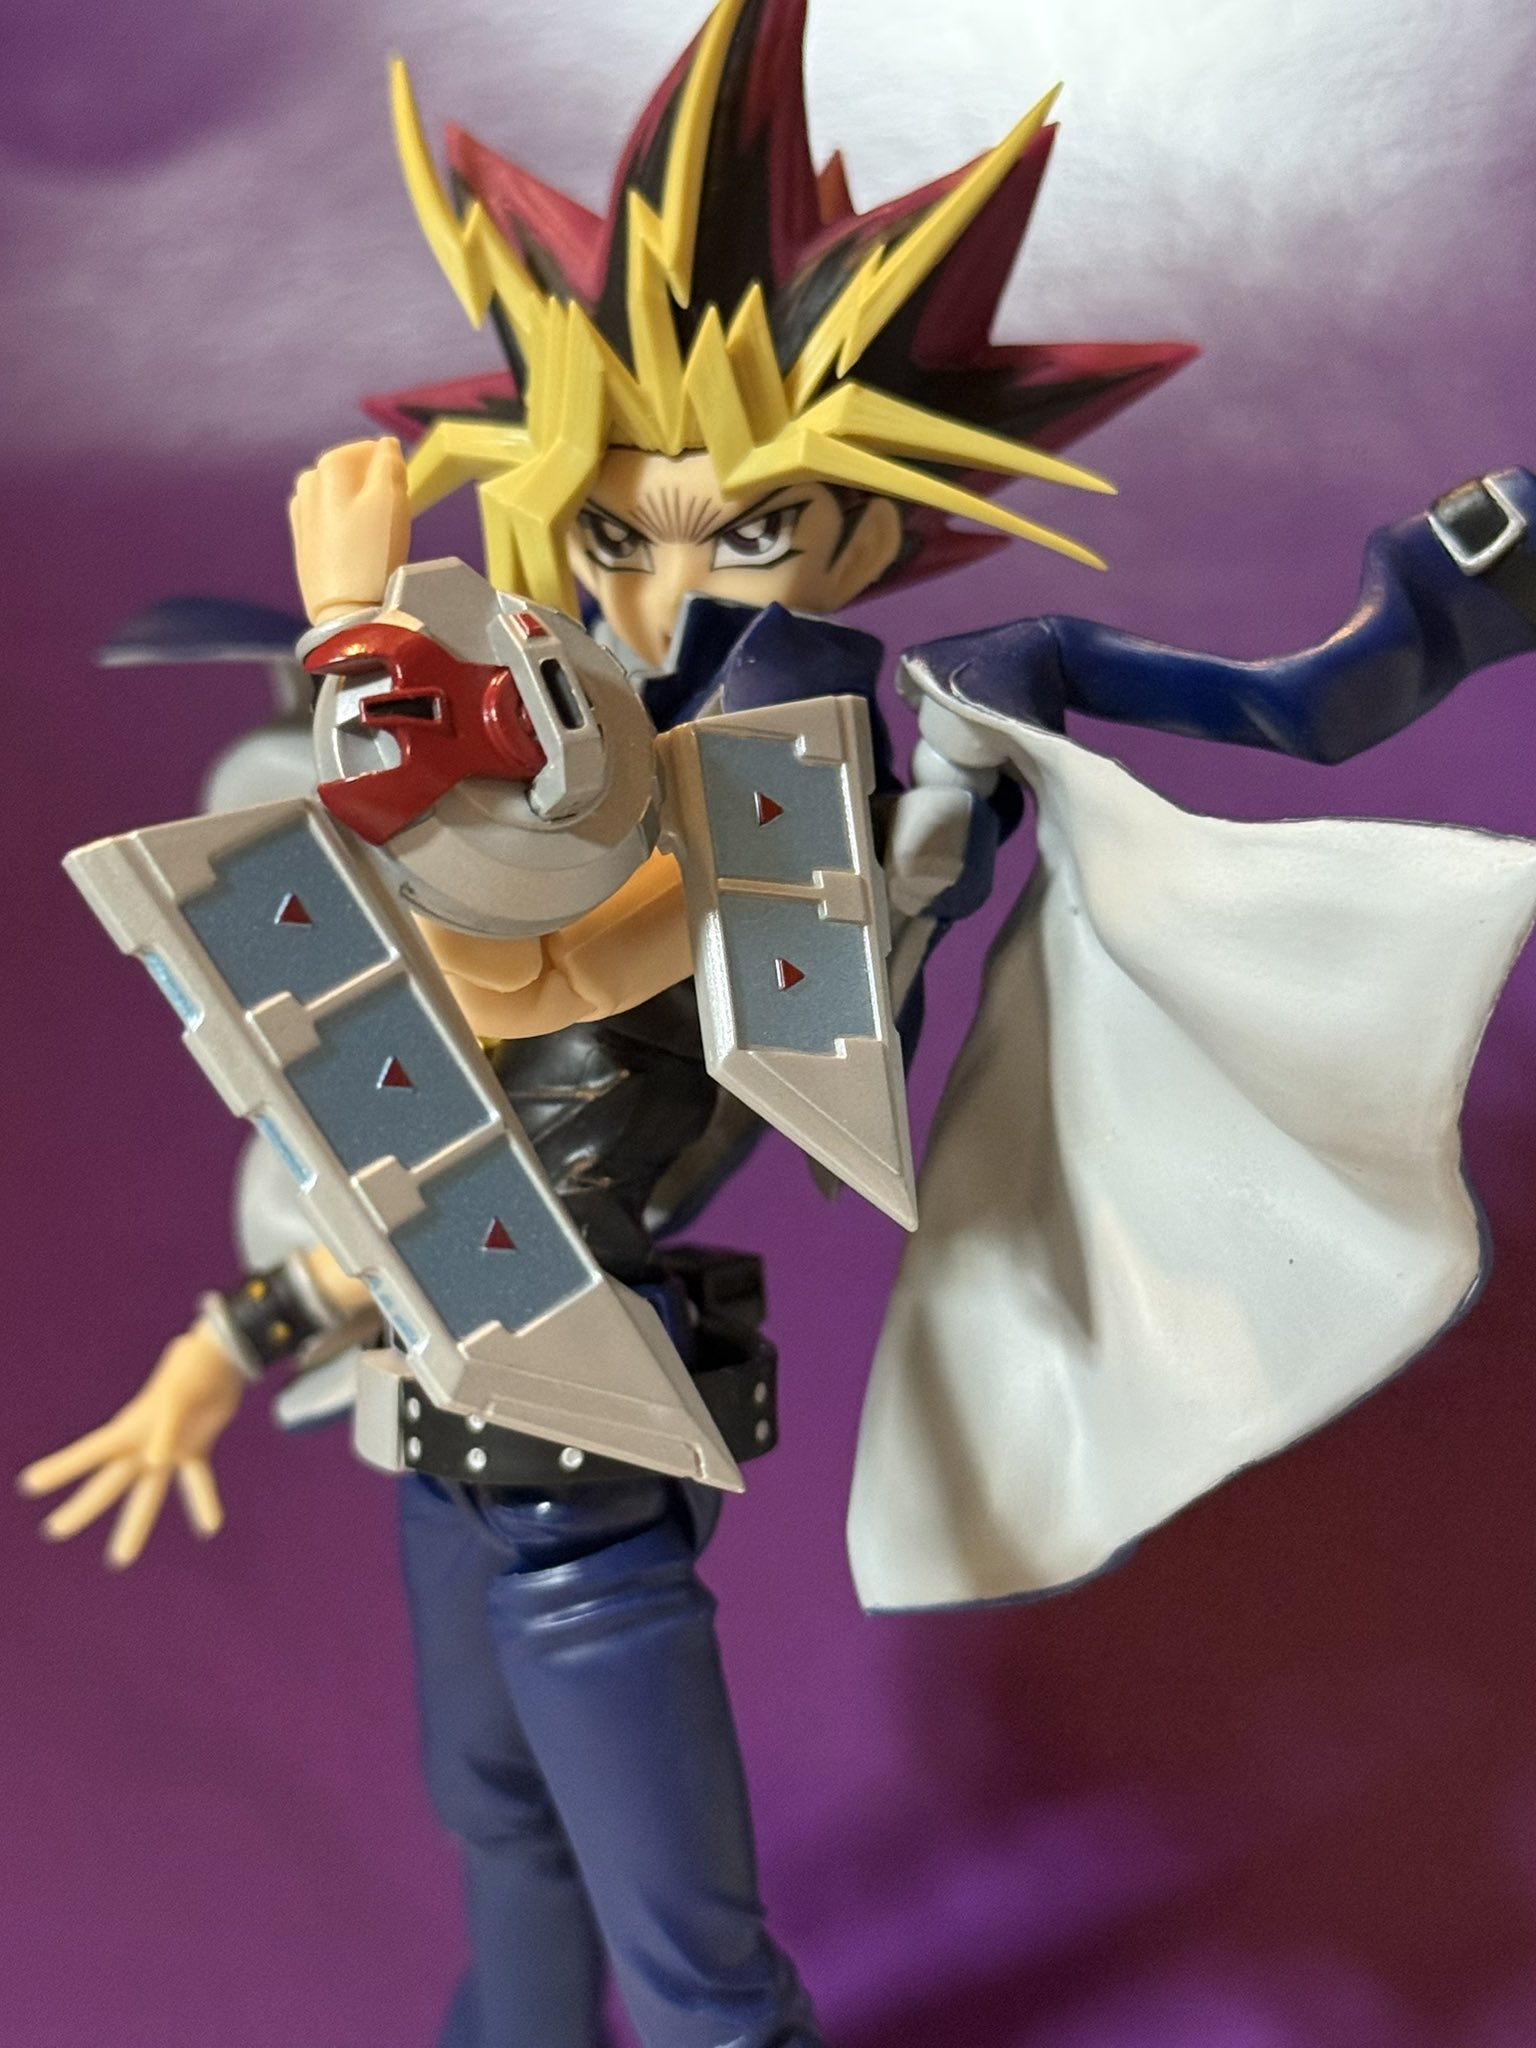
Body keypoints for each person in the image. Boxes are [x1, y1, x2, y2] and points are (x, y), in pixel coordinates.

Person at [21, 4, 1536, 2044]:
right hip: (450, 1397)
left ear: (855, 530)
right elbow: (428, 1102)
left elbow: (545, 944)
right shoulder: (537, 703)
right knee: (505, 1840)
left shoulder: (766, 751)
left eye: (742, 527)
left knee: (701, 1972)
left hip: (586, 1448)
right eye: (613, 524)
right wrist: (233, 1346)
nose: (665, 587)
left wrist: (1441, 597)